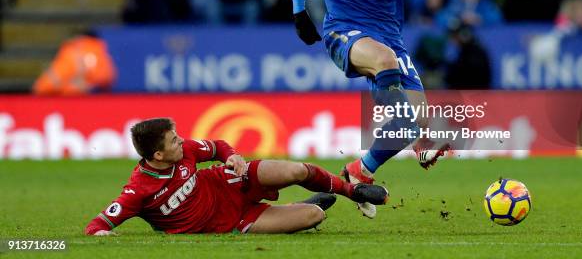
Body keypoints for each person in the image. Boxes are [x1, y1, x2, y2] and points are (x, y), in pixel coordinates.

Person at [290, 0, 500, 218]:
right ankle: (407, 143)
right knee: (384, 62)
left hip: (389, 38)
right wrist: (299, 12)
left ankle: (359, 172)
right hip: (344, 31)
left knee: (415, 121)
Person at [85, 118, 388, 236]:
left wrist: (230, 156)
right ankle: (299, 205)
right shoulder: (138, 190)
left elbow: (217, 146)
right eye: (174, 141)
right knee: (313, 215)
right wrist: (102, 235)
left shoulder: (186, 150)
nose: (182, 142)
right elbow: (98, 224)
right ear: (158, 156)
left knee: (296, 170)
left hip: (231, 182)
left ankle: (352, 190)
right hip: (231, 222)